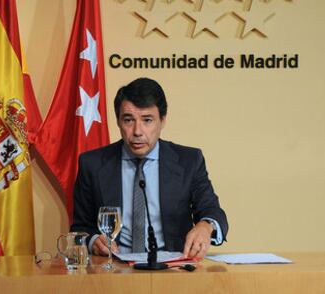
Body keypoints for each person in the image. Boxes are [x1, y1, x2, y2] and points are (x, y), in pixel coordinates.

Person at [70, 77, 228, 260]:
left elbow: (214, 212)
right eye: (128, 120)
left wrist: (206, 226)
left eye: (147, 120)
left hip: (173, 269)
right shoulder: (93, 164)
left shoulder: (188, 161)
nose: (137, 131)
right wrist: (93, 240)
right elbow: (79, 229)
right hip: (115, 270)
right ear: (118, 121)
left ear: (162, 121)